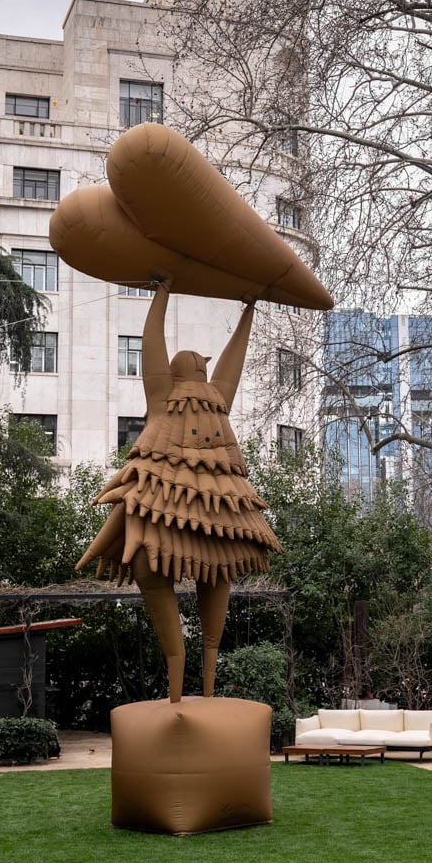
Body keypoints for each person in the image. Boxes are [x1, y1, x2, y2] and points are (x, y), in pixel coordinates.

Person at [74, 281, 282, 703]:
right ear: (202, 372)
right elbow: (232, 359)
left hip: (163, 517)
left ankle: (178, 687)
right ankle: (204, 690)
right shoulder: (216, 398)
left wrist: (163, 290)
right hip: (217, 523)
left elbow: (151, 340)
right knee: (213, 605)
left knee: (154, 579)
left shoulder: (165, 395)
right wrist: (249, 309)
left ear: (173, 373)